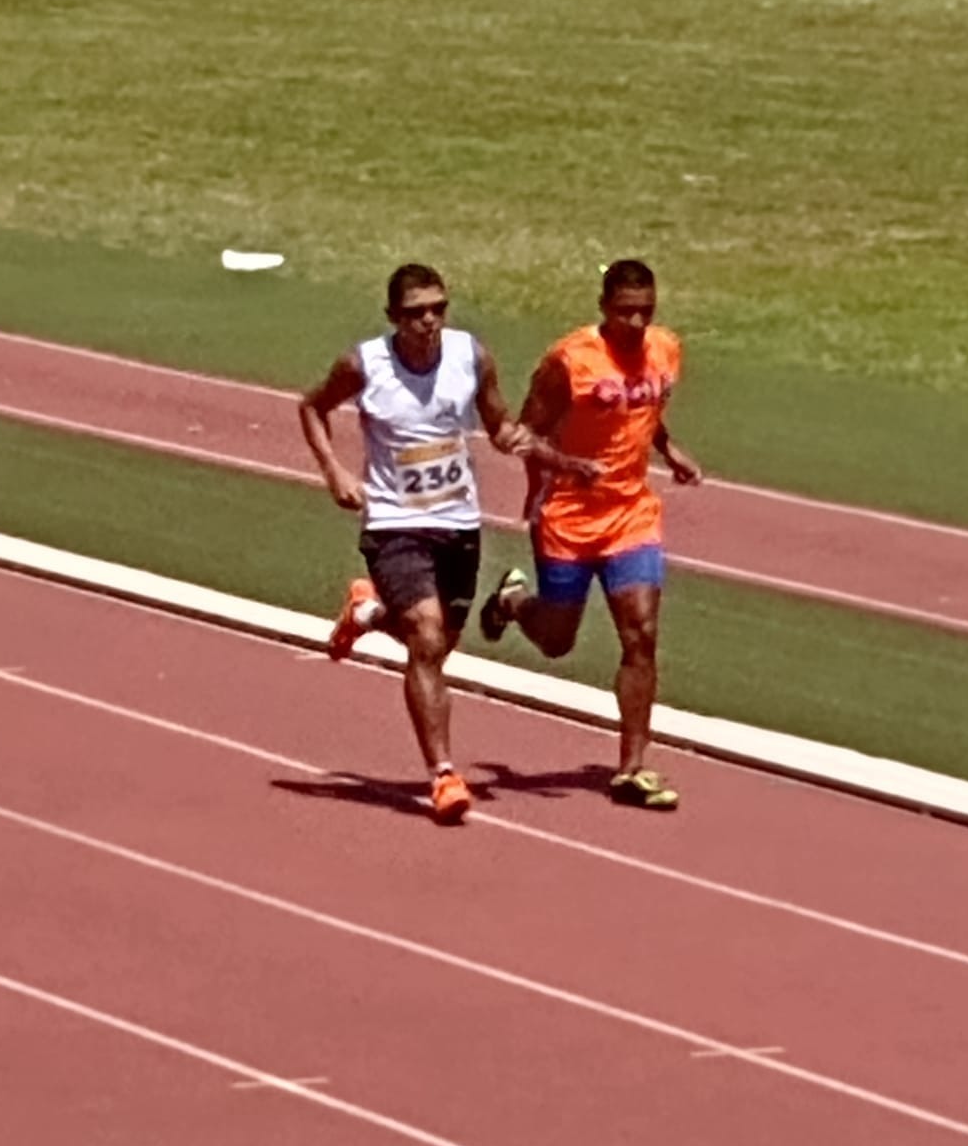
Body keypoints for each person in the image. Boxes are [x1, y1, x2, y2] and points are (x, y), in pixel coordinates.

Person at [299, 263, 596, 826]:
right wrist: (334, 472)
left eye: (438, 309)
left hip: (458, 524)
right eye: (415, 313)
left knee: (437, 641)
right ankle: (443, 775)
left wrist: (564, 462)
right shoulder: (365, 365)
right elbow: (310, 408)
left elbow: (502, 428)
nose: (429, 322)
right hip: (393, 523)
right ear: (393, 317)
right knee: (429, 638)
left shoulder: (470, 356)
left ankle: (366, 611)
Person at [479, 259, 702, 812]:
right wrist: (568, 463)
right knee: (557, 641)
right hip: (567, 513)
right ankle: (512, 600)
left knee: (641, 634)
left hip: (631, 514)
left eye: (645, 311)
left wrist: (668, 448)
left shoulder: (666, 349)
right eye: (624, 311)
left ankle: (632, 767)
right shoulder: (569, 361)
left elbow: (642, 409)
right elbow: (519, 436)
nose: (635, 322)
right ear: (603, 307)